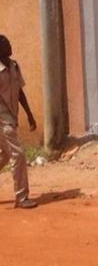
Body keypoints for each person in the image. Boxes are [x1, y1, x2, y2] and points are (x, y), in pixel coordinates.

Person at [0, 34, 37, 209]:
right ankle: (21, 198)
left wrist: (29, 114)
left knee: (6, 155)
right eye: (5, 44)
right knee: (18, 154)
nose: (9, 45)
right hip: (2, 120)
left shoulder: (14, 66)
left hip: (11, 118)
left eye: (9, 42)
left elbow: (20, 92)